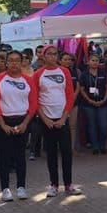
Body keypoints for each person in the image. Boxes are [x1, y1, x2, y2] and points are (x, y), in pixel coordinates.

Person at [0, 49, 37, 201]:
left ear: (22, 62)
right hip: (3, 121)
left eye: (18, 60)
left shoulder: (28, 80)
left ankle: (21, 187)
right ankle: (5, 188)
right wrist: (3, 124)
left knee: (20, 156)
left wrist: (25, 123)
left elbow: (33, 103)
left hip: (23, 121)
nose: (14, 63)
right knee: (4, 155)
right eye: (11, 60)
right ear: (6, 63)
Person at [34, 45, 79, 197]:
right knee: (51, 153)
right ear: (43, 56)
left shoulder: (64, 71)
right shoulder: (38, 74)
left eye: (55, 54)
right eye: (49, 54)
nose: (52, 57)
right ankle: (53, 184)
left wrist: (64, 117)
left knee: (66, 151)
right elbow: (34, 99)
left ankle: (68, 184)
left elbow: (69, 95)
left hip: (62, 118)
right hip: (46, 119)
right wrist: (44, 118)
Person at [78, 53, 107, 154]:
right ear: (88, 62)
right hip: (88, 104)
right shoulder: (84, 74)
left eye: (97, 61)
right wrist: (89, 100)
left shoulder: (103, 73)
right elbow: (81, 89)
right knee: (92, 125)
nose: (95, 63)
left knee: (103, 125)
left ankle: (102, 145)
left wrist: (104, 100)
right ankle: (95, 147)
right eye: (93, 60)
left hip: (103, 103)